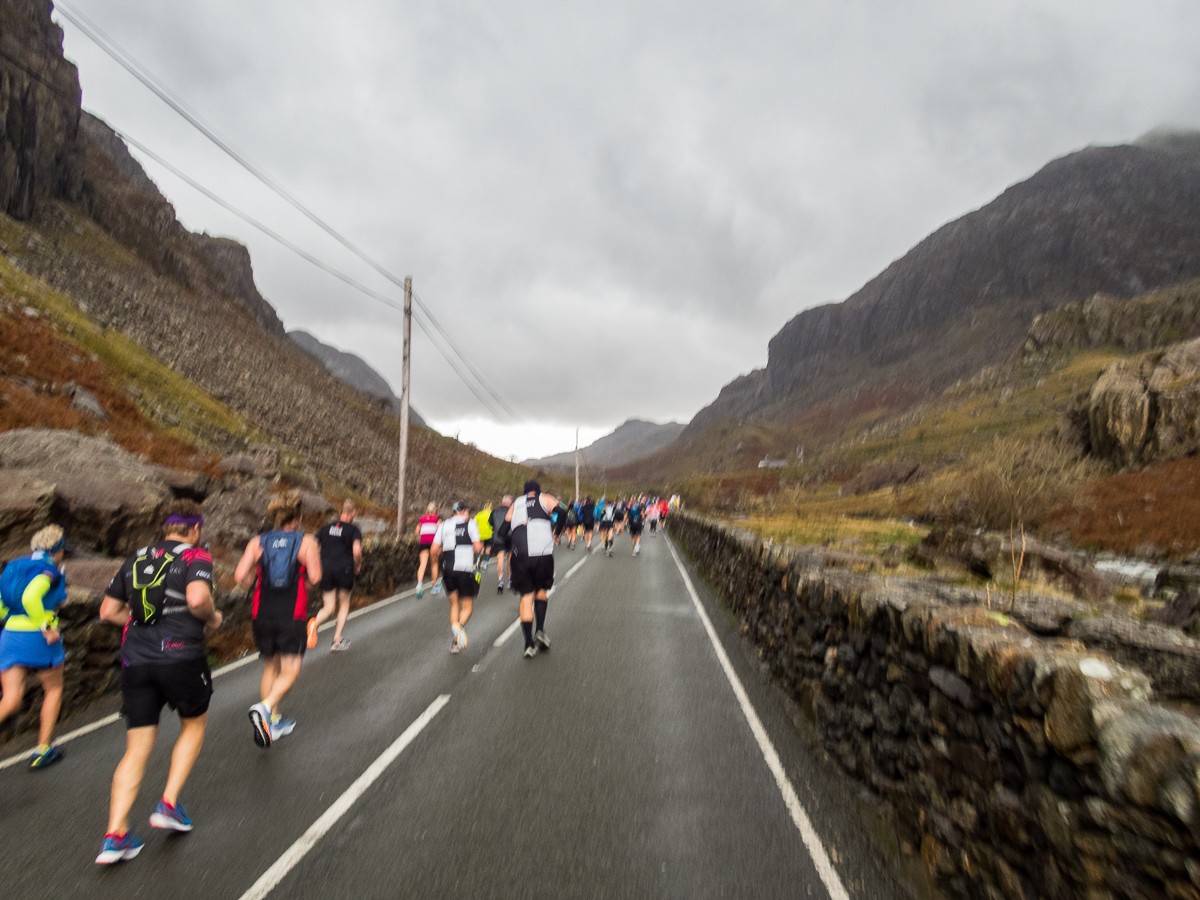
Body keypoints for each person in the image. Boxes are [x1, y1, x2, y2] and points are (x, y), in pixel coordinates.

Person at [95, 502, 223, 864]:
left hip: (136, 661)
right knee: (194, 725)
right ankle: (168, 803)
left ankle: (115, 834)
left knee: (136, 748)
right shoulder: (196, 556)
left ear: (166, 528)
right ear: (194, 529)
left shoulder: (136, 559)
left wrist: (136, 631)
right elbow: (197, 598)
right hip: (182, 657)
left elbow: (107, 611)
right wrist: (212, 618)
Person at [234, 492, 322, 749]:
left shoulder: (257, 542)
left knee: (270, 668)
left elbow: (240, 575)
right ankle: (264, 709)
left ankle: (271, 722)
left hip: (261, 612)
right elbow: (315, 578)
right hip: (291, 613)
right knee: (291, 670)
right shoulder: (306, 542)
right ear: (297, 518)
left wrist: (257, 585)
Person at [0, 525, 69, 769]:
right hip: (37, 638)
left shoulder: (14, 567)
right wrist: (46, 625)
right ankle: (42, 750)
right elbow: (31, 597)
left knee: (10, 700)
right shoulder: (47, 570)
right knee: (53, 689)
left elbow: (3, 605)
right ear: (57, 550)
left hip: (10, 635)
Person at [502, 480, 559, 658]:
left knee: (526, 597)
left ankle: (528, 644)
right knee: (541, 590)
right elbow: (562, 513)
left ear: (525, 492)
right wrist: (556, 531)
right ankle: (540, 630)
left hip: (521, 555)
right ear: (538, 491)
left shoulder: (516, 503)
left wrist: (513, 544)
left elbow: (502, 532)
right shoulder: (545, 498)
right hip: (542, 554)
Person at [309, 500, 362, 651]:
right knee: (344, 604)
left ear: (339, 513)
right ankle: (336, 640)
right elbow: (356, 551)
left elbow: (312, 544)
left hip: (325, 569)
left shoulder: (325, 528)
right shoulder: (353, 530)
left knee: (329, 607)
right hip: (344, 569)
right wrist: (357, 565)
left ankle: (314, 622)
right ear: (353, 513)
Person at [438, 502, 482, 653]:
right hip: (464, 569)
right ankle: (460, 626)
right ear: (463, 511)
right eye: (467, 511)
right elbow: (477, 547)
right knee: (468, 607)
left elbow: (434, 549)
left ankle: (455, 643)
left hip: (448, 569)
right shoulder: (470, 524)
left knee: (454, 605)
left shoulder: (444, 525)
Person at [414, 503, 440, 598]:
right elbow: (440, 530)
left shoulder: (422, 518)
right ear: (435, 510)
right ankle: (434, 586)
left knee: (423, 564)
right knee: (434, 564)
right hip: (433, 543)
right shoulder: (437, 518)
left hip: (423, 542)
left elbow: (417, 531)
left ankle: (419, 585)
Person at [490, 495, 513, 594]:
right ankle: (510, 579)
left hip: (498, 538)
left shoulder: (494, 512)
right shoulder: (512, 511)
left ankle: (500, 580)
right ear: (510, 503)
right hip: (510, 537)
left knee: (500, 558)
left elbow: (490, 523)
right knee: (510, 558)